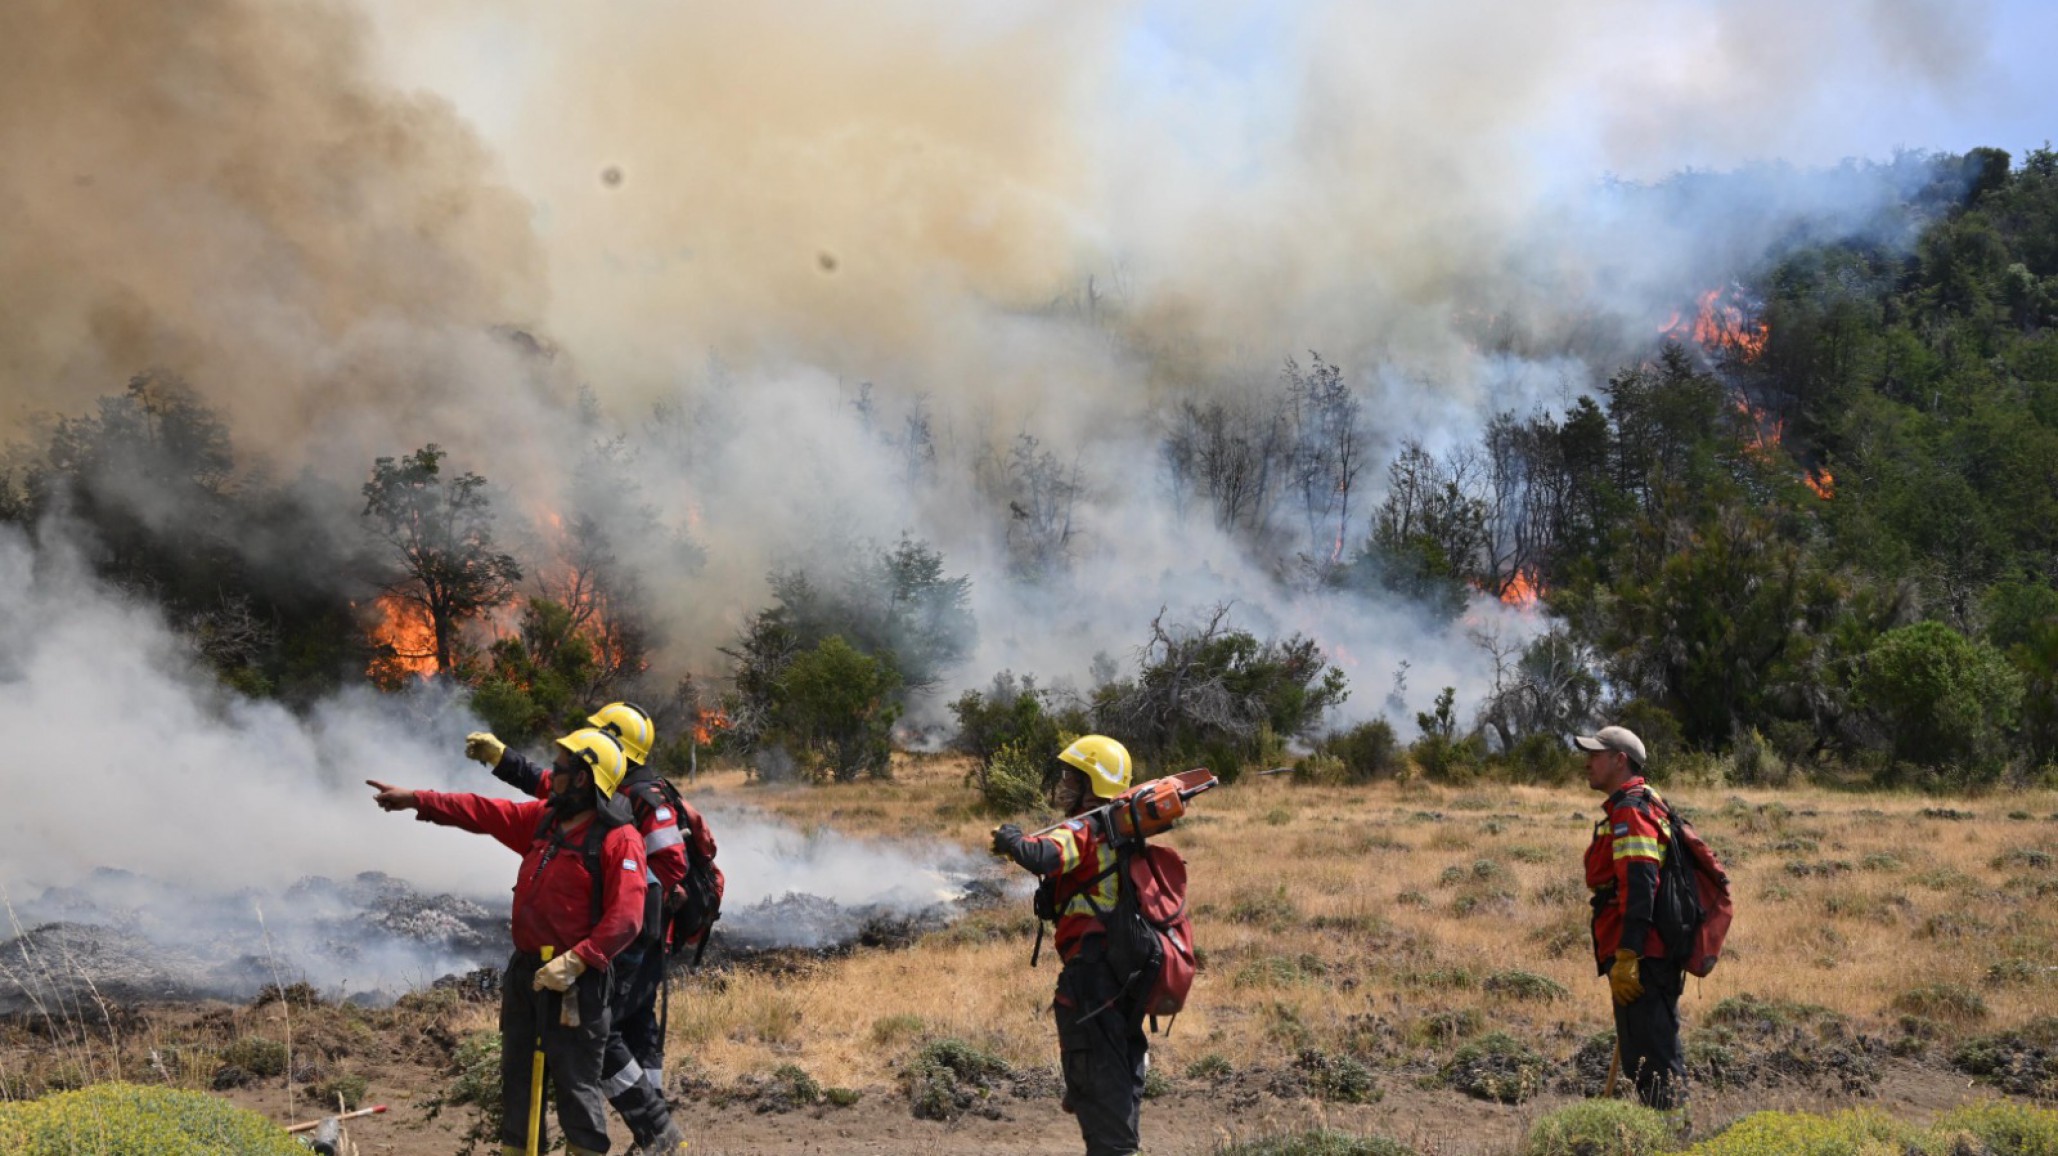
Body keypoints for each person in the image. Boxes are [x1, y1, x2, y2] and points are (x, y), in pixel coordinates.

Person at [367, 728, 646, 1156]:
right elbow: (482, 811)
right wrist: (418, 800)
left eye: (560, 768)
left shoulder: (617, 839)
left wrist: (577, 962)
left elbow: (627, 918)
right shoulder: (545, 819)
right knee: (518, 1083)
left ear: (585, 779)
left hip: (576, 986)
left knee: (575, 1087)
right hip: (527, 976)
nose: (551, 774)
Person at [463, 704, 690, 1156]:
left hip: (631, 940)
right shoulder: (608, 786)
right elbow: (548, 785)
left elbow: (668, 869)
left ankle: (659, 1135)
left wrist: (608, 916)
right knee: (610, 1040)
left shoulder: (643, 798)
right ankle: (657, 1135)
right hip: (614, 936)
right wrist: (503, 758)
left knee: (600, 1039)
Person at [989, 735, 1149, 1156]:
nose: (1063, 784)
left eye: (1071, 777)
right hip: (1125, 978)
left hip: (1093, 979)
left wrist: (1011, 840)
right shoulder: (1123, 831)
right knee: (1116, 1090)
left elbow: (1044, 855)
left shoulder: (1087, 826)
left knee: (1106, 1114)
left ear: (1093, 783)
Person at [1576, 724, 1687, 1110]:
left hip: (1643, 959)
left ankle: (1671, 1142)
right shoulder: (1637, 804)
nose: (1587, 762)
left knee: (1654, 1066)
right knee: (1647, 1061)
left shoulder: (1631, 812)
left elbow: (1640, 885)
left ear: (1619, 760)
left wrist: (1628, 955)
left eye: (1595, 755)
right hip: (1643, 955)